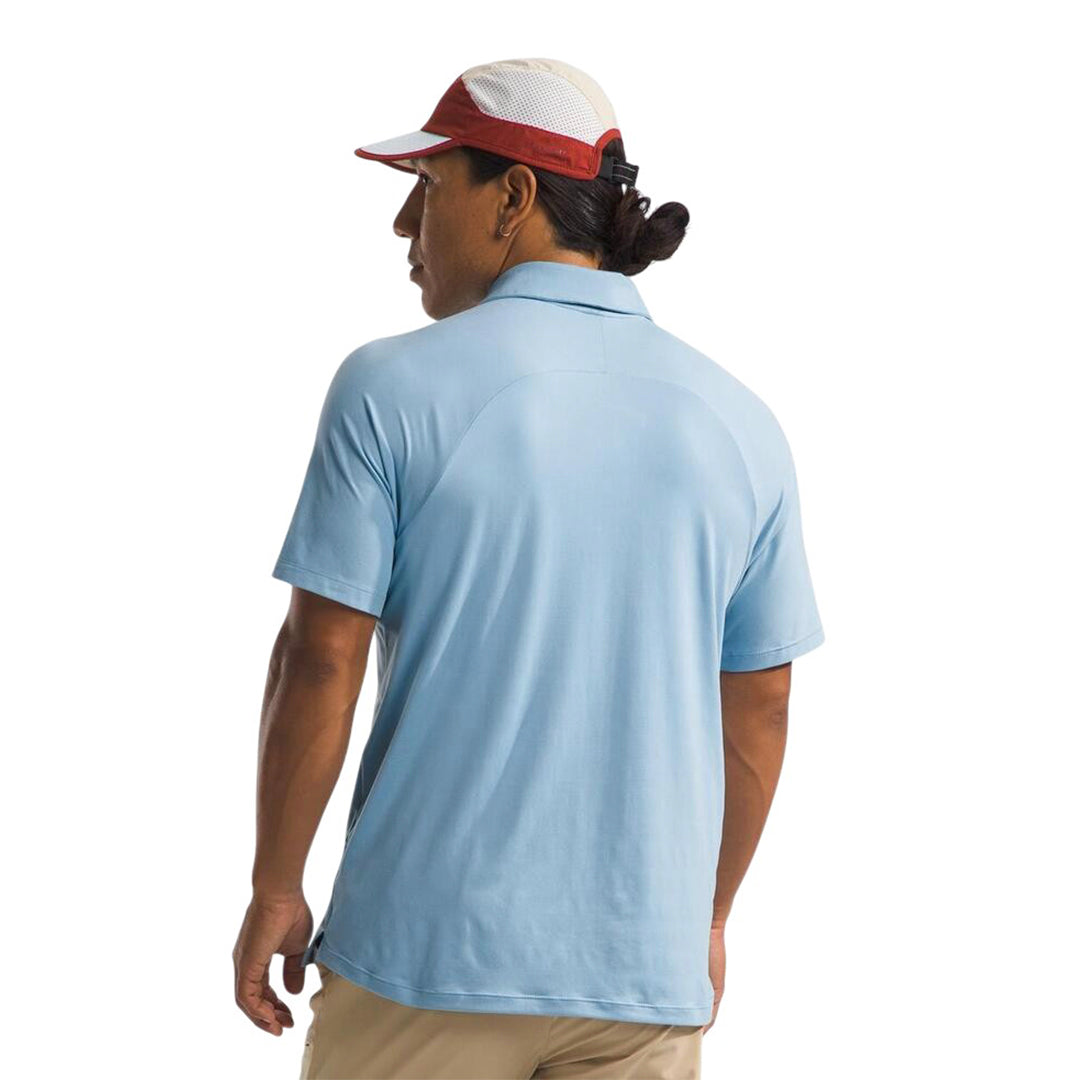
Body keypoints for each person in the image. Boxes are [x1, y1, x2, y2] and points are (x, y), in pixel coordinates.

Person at [232, 57, 825, 1080]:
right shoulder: (741, 422)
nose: (404, 225)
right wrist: (706, 919)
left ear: (511, 197)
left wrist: (276, 888)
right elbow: (762, 704)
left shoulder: (389, 389)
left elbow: (321, 658)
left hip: (423, 963)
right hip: (641, 982)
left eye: (427, 187)